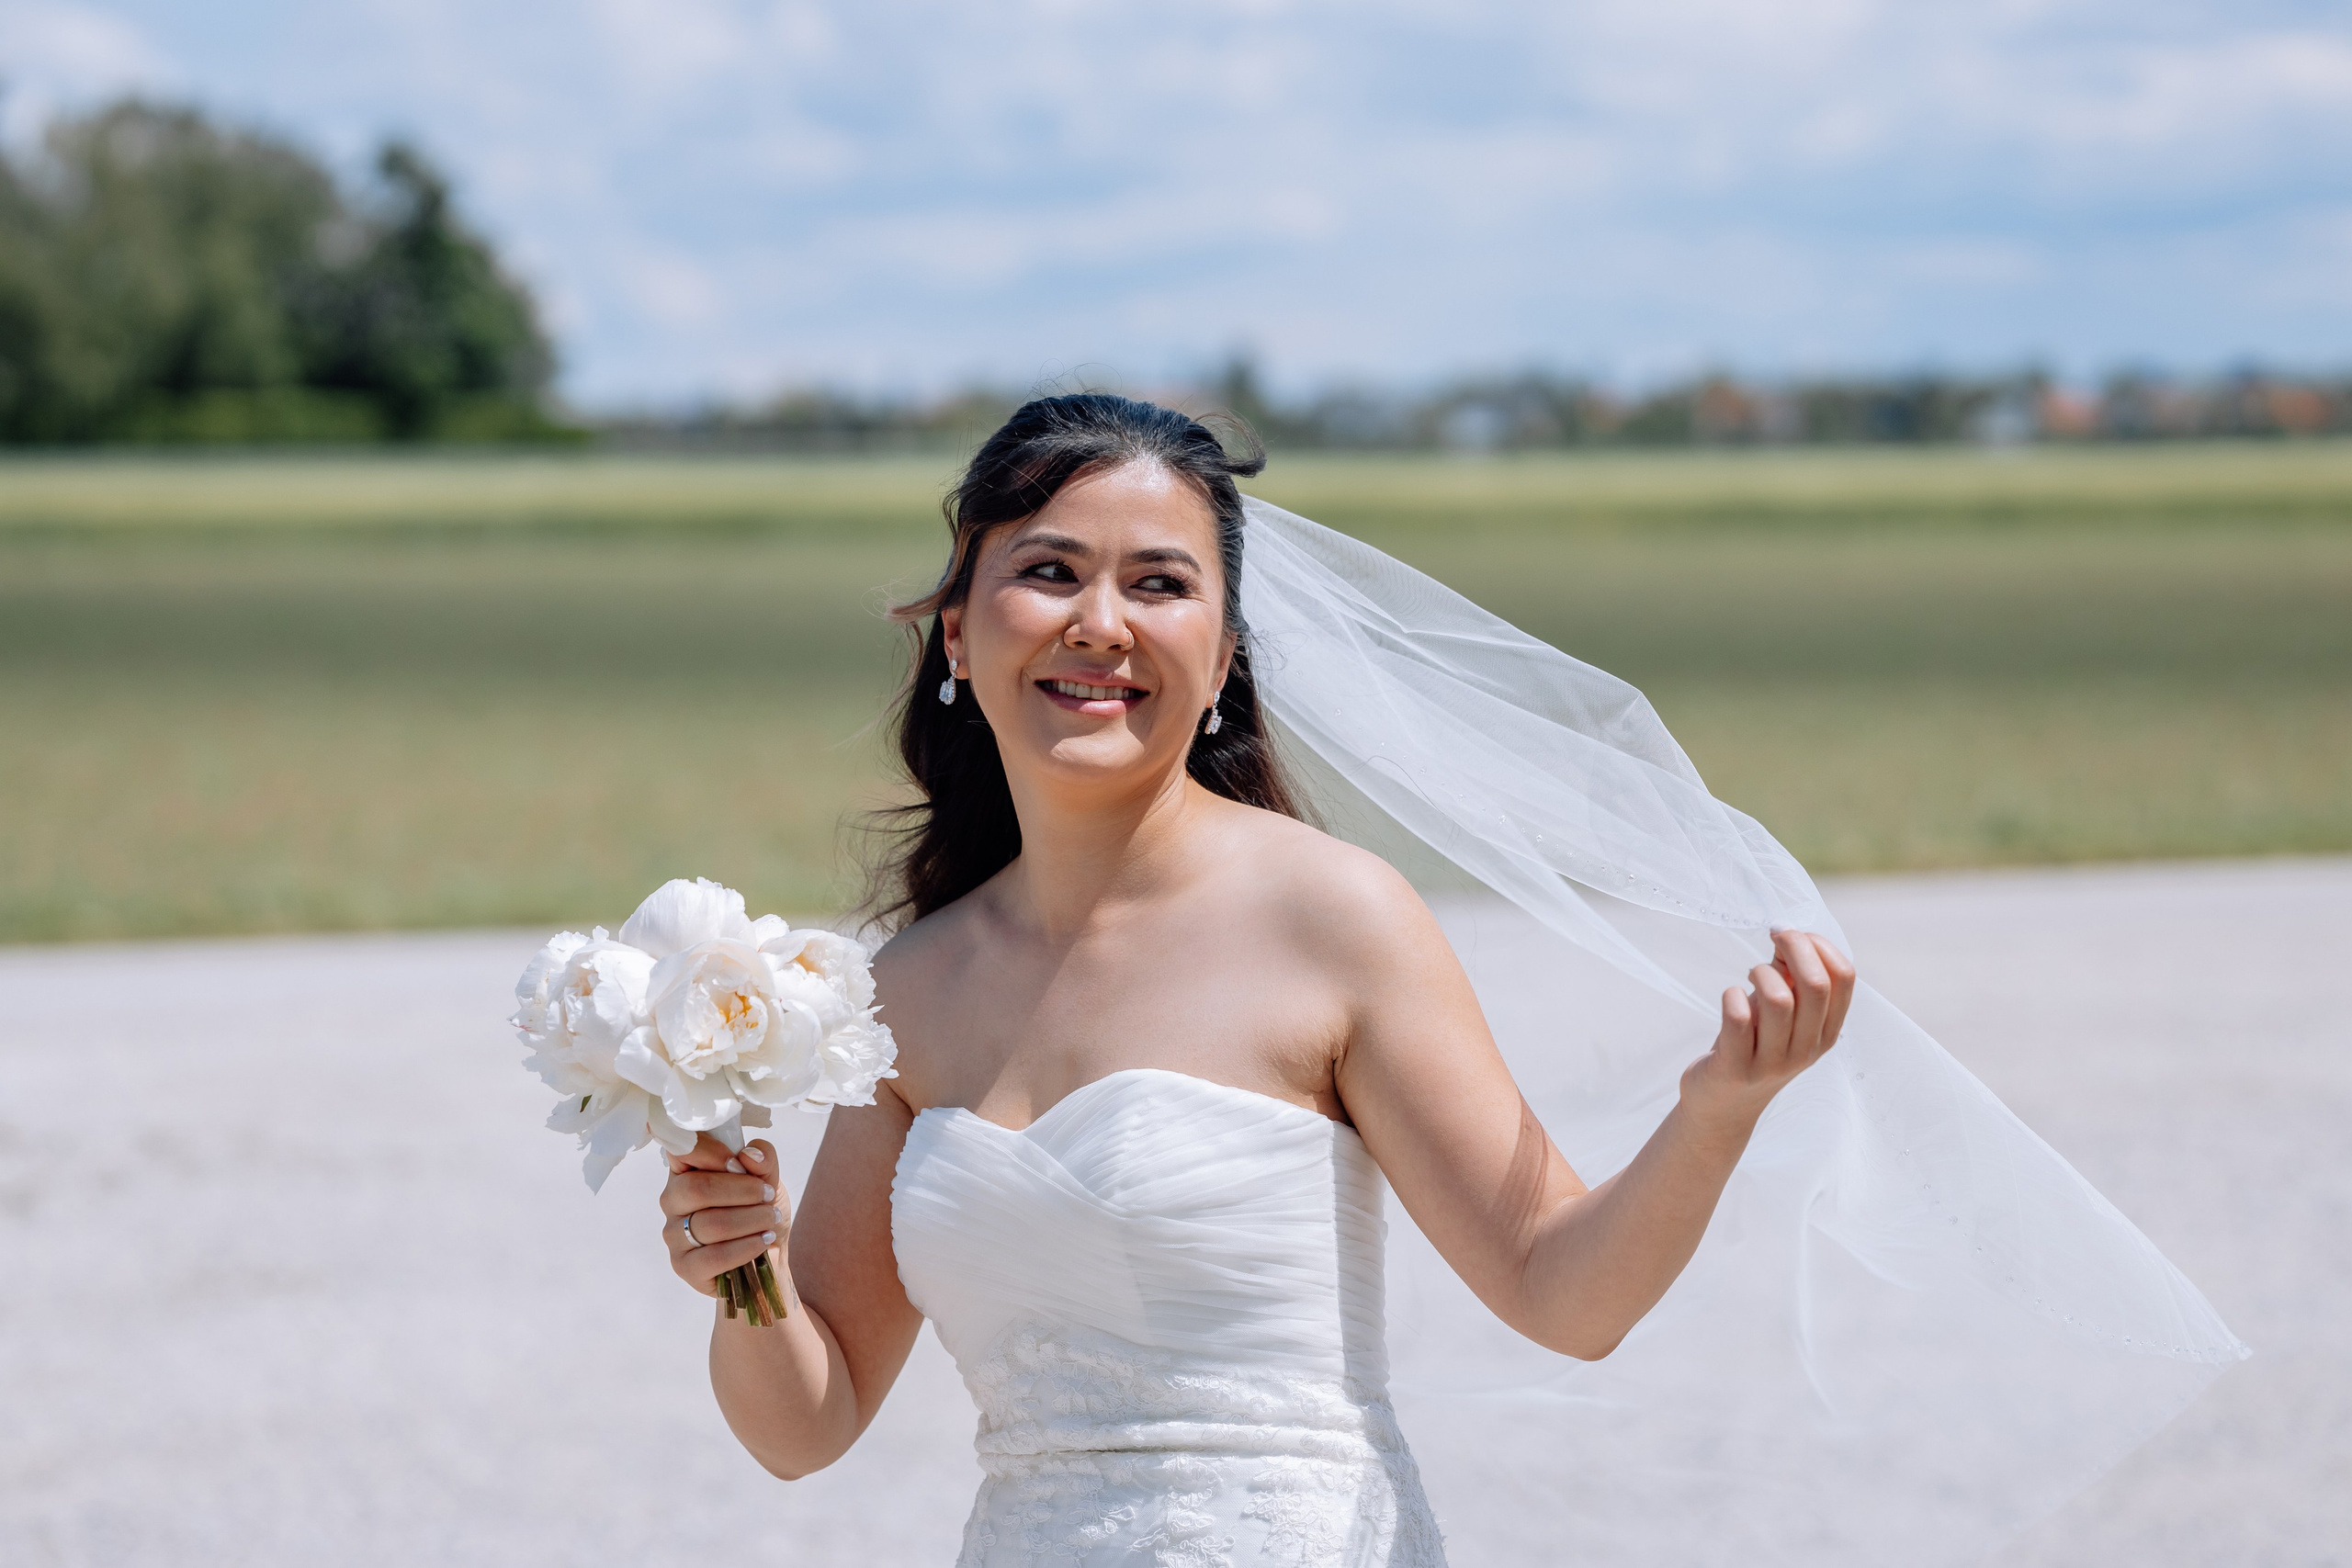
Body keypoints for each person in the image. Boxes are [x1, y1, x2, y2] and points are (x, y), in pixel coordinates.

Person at [652, 395, 2242, 1568]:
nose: (1100, 624)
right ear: (959, 626)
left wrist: (1718, 1107)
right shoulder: (900, 990)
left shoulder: (1336, 920)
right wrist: (745, 1276)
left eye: (1159, 583)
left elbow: (1565, 1293)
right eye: (1049, 570)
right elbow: (807, 1425)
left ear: (1223, 651)